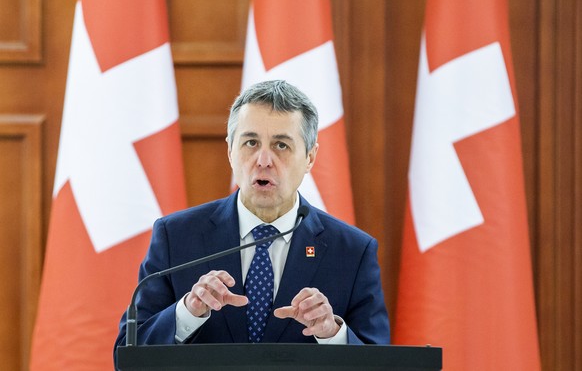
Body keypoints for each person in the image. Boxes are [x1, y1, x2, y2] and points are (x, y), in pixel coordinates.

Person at [114, 80, 390, 353]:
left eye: (281, 145)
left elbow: (380, 361)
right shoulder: (176, 237)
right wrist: (187, 313)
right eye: (250, 142)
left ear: (310, 157)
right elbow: (127, 354)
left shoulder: (352, 251)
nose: (263, 160)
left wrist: (332, 334)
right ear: (230, 152)